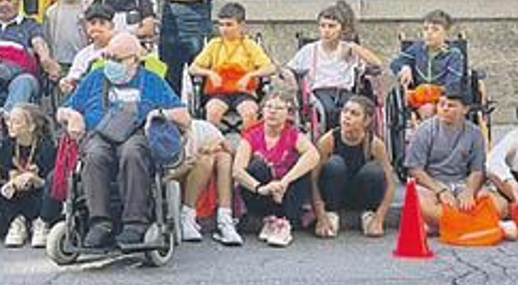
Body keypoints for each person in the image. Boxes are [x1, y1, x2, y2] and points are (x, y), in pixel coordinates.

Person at [56, 31, 191, 251]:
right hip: (99, 134)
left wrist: (160, 113)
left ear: (135, 60)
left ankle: (135, 222)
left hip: (135, 135)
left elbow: (184, 117)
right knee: (95, 154)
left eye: (117, 60)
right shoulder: (95, 78)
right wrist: (72, 116)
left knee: (133, 152)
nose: (111, 64)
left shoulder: (151, 81)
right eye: (107, 57)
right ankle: (100, 222)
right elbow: (63, 110)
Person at [405, 88, 502, 232]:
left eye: (451, 105)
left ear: (465, 109)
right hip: (432, 184)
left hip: (463, 182)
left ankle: (450, 224)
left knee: (501, 206)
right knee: (424, 207)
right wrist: (440, 191)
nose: (445, 109)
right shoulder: (424, 130)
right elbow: (415, 169)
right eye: (441, 104)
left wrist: (469, 191)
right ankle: (475, 223)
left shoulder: (474, 133)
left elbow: (477, 170)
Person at [232, 94, 320, 247]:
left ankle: (284, 222)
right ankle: (269, 218)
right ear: (262, 111)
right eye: (269, 107)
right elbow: (237, 171)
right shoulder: (251, 135)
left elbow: (313, 155)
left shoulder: (293, 134)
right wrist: (262, 188)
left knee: (303, 168)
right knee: (257, 166)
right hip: (261, 193)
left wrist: (284, 182)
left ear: (288, 113)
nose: (273, 112)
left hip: (285, 192)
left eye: (279, 108)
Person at [285, 1, 382, 134]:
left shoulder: (349, 50)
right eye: (323, 26)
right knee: (329, 110)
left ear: (341, 29)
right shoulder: (309, 50)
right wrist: (291, 78)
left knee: (357, 110)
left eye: (332, 26)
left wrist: (353, 46)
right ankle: (332, 141)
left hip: (344, 91)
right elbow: (289, 68)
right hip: (320, 91)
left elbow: (377, 63)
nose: (326, 30)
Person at [313, 94, 394, 238]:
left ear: (367, 120)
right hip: (334, 194)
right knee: (334, 164)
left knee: (374, 170)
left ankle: (368, 214)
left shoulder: (375, 144)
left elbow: (390, 183)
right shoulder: (328, 140)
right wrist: (321, 217)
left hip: (361, 194)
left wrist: (379, 218)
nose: (347, 117)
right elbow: (313, 180)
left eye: (354, 114)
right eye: (345, 111)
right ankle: (331, 213)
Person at [0, 102, 60, 248]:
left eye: (16, 122)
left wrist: (33, 178)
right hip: (15, 198)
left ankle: (42, 223)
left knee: (53, 180)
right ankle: (16, 222)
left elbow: (50, 181)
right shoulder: (6, 145)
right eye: (9, 121)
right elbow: (4, 174)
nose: (10, 125)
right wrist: (12, 182)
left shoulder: (47, 146)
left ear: (31, 127)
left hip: (39, 198)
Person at [189, 1, 274, 129]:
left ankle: (248, 146)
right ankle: (215, 146)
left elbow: (270, 68)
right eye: (221, 25)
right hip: (219, 92)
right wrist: (209, 73)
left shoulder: (249, 45)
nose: (224, 29)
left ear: (241, 25)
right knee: (213, 112)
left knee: (250, 113)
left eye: (229, 25)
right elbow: (193, 68)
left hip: (244, 92)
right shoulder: (214, 44)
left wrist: (250, 75)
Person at [168, 119, 243, 246]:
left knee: (224, 157)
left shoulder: (202, 127)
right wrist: (186, 166)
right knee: (204, 160)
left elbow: (231, 151)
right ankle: (187, 216)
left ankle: (225, 217)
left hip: (205, 181)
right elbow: (166, 177)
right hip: (177, 179)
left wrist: (217, 144)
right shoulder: (163, 135)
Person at [388, 9, 465, 120]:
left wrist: (432, 94)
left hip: (444, 97)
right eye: (425, 29)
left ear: (446, 33)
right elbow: (395, 63)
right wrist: (404, 67)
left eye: (435, 30)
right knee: (422, 107)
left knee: (429, 109)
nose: (429, 33)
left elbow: (452, 83)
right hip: (419, 98)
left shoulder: (453, 55)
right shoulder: (417, 49)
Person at [59, 5, 119, 97]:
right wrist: (66, 83)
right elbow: (74, 77)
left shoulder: (121, 49)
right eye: (92, 23)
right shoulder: (83, 55)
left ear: (111, 26)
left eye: (102, 23)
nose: (96, 27)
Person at [43, 0, 88, 74]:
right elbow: (47, 39)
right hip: (60, 63)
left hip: (83, 62)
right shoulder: (51, 12)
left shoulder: (86, 9)